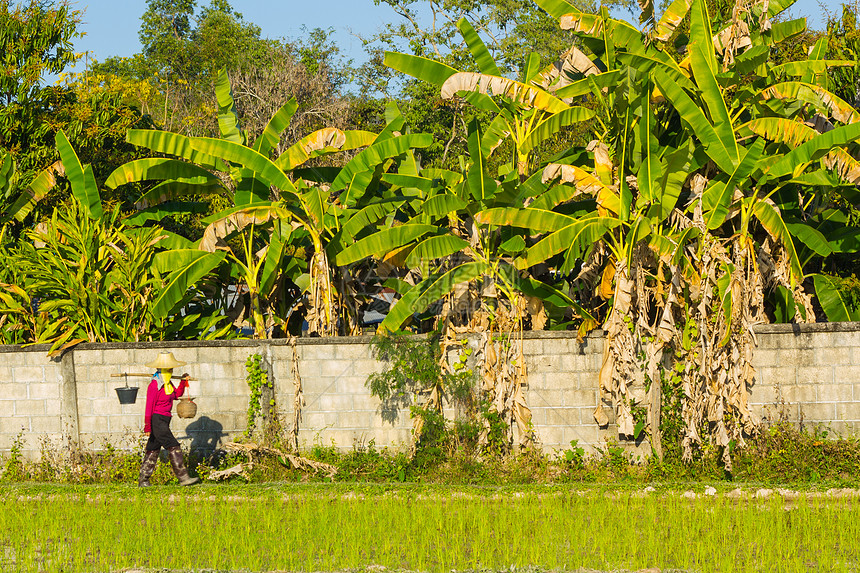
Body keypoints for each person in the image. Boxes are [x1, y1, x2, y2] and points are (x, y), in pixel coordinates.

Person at [138, 351, 199, 487]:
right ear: (162, 370)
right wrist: (147, 426)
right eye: (169, 370)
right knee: (173, 445)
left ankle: (143, 480)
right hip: (157, 420)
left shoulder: (168, 384)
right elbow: (149, 407)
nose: (171, 372)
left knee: (153, 448)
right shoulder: (154, 385)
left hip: (165, 419)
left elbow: (176, 395)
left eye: (171, 369)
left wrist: (183, 382)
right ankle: (183, 478)